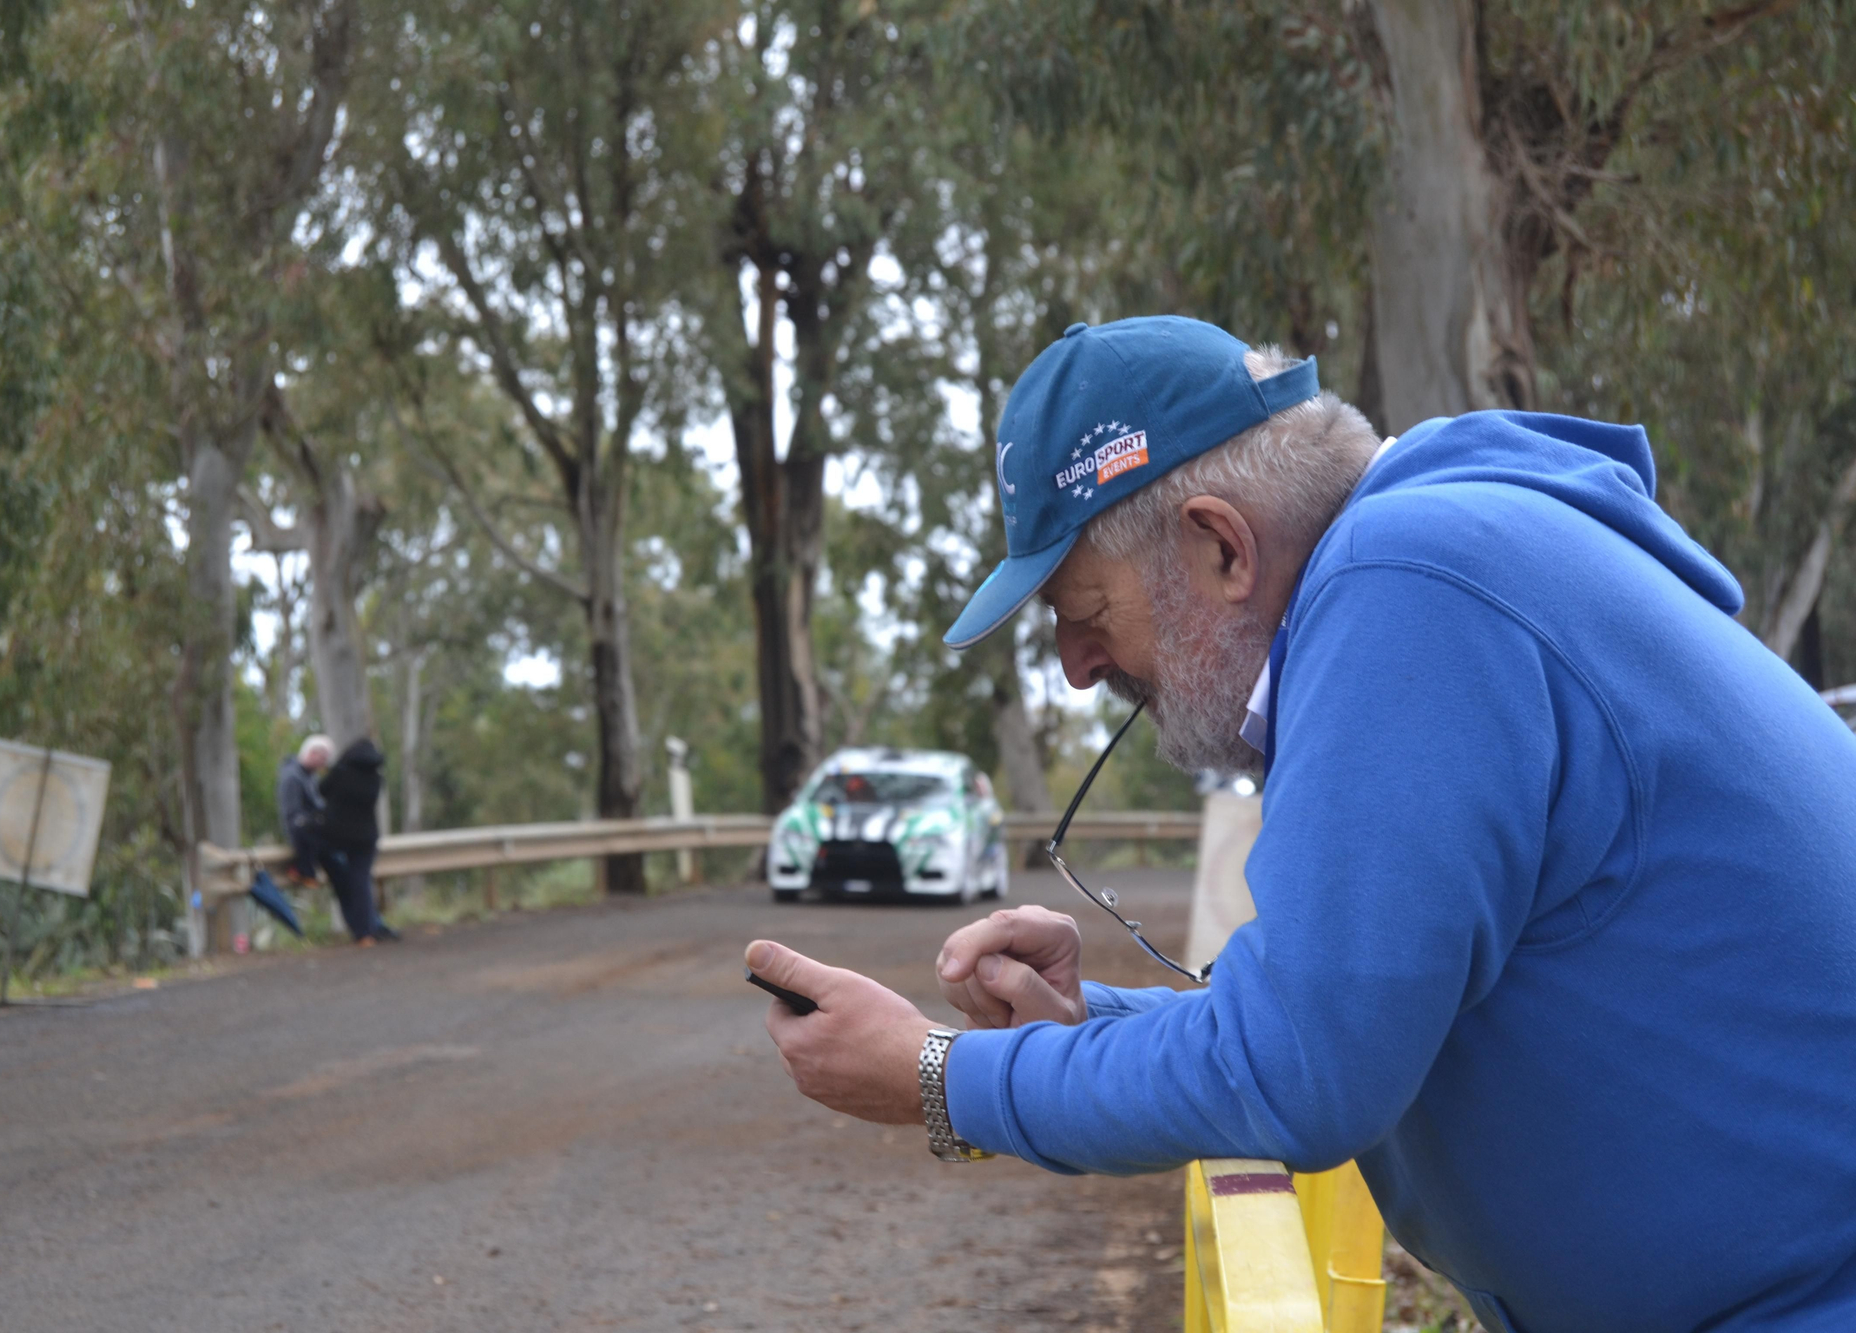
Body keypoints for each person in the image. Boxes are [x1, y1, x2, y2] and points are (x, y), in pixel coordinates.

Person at [745, 316, 1856, 1331]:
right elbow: (1349, 1009)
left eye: (1082, 615)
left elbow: (1299, 1073)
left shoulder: (1407, 584)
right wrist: (1086, 1023)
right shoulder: (1442, 559)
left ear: (1221, 546)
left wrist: (939, 1080)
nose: (1077, 671)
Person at [316, 736, 398, 945]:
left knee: (346, 881)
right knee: (361, 882)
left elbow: (321, 790)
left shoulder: (341, 773)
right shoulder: (375, 779)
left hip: (338, 837)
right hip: (367, 838)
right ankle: (368, 929)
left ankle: (361, 929)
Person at [275, 734, 334, 887]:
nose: (324, 763)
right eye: (323, 758)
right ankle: (303, 870)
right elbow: (293, 816)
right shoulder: (292, 777)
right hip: (302, 833)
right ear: (312, 753)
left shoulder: (310, 776)